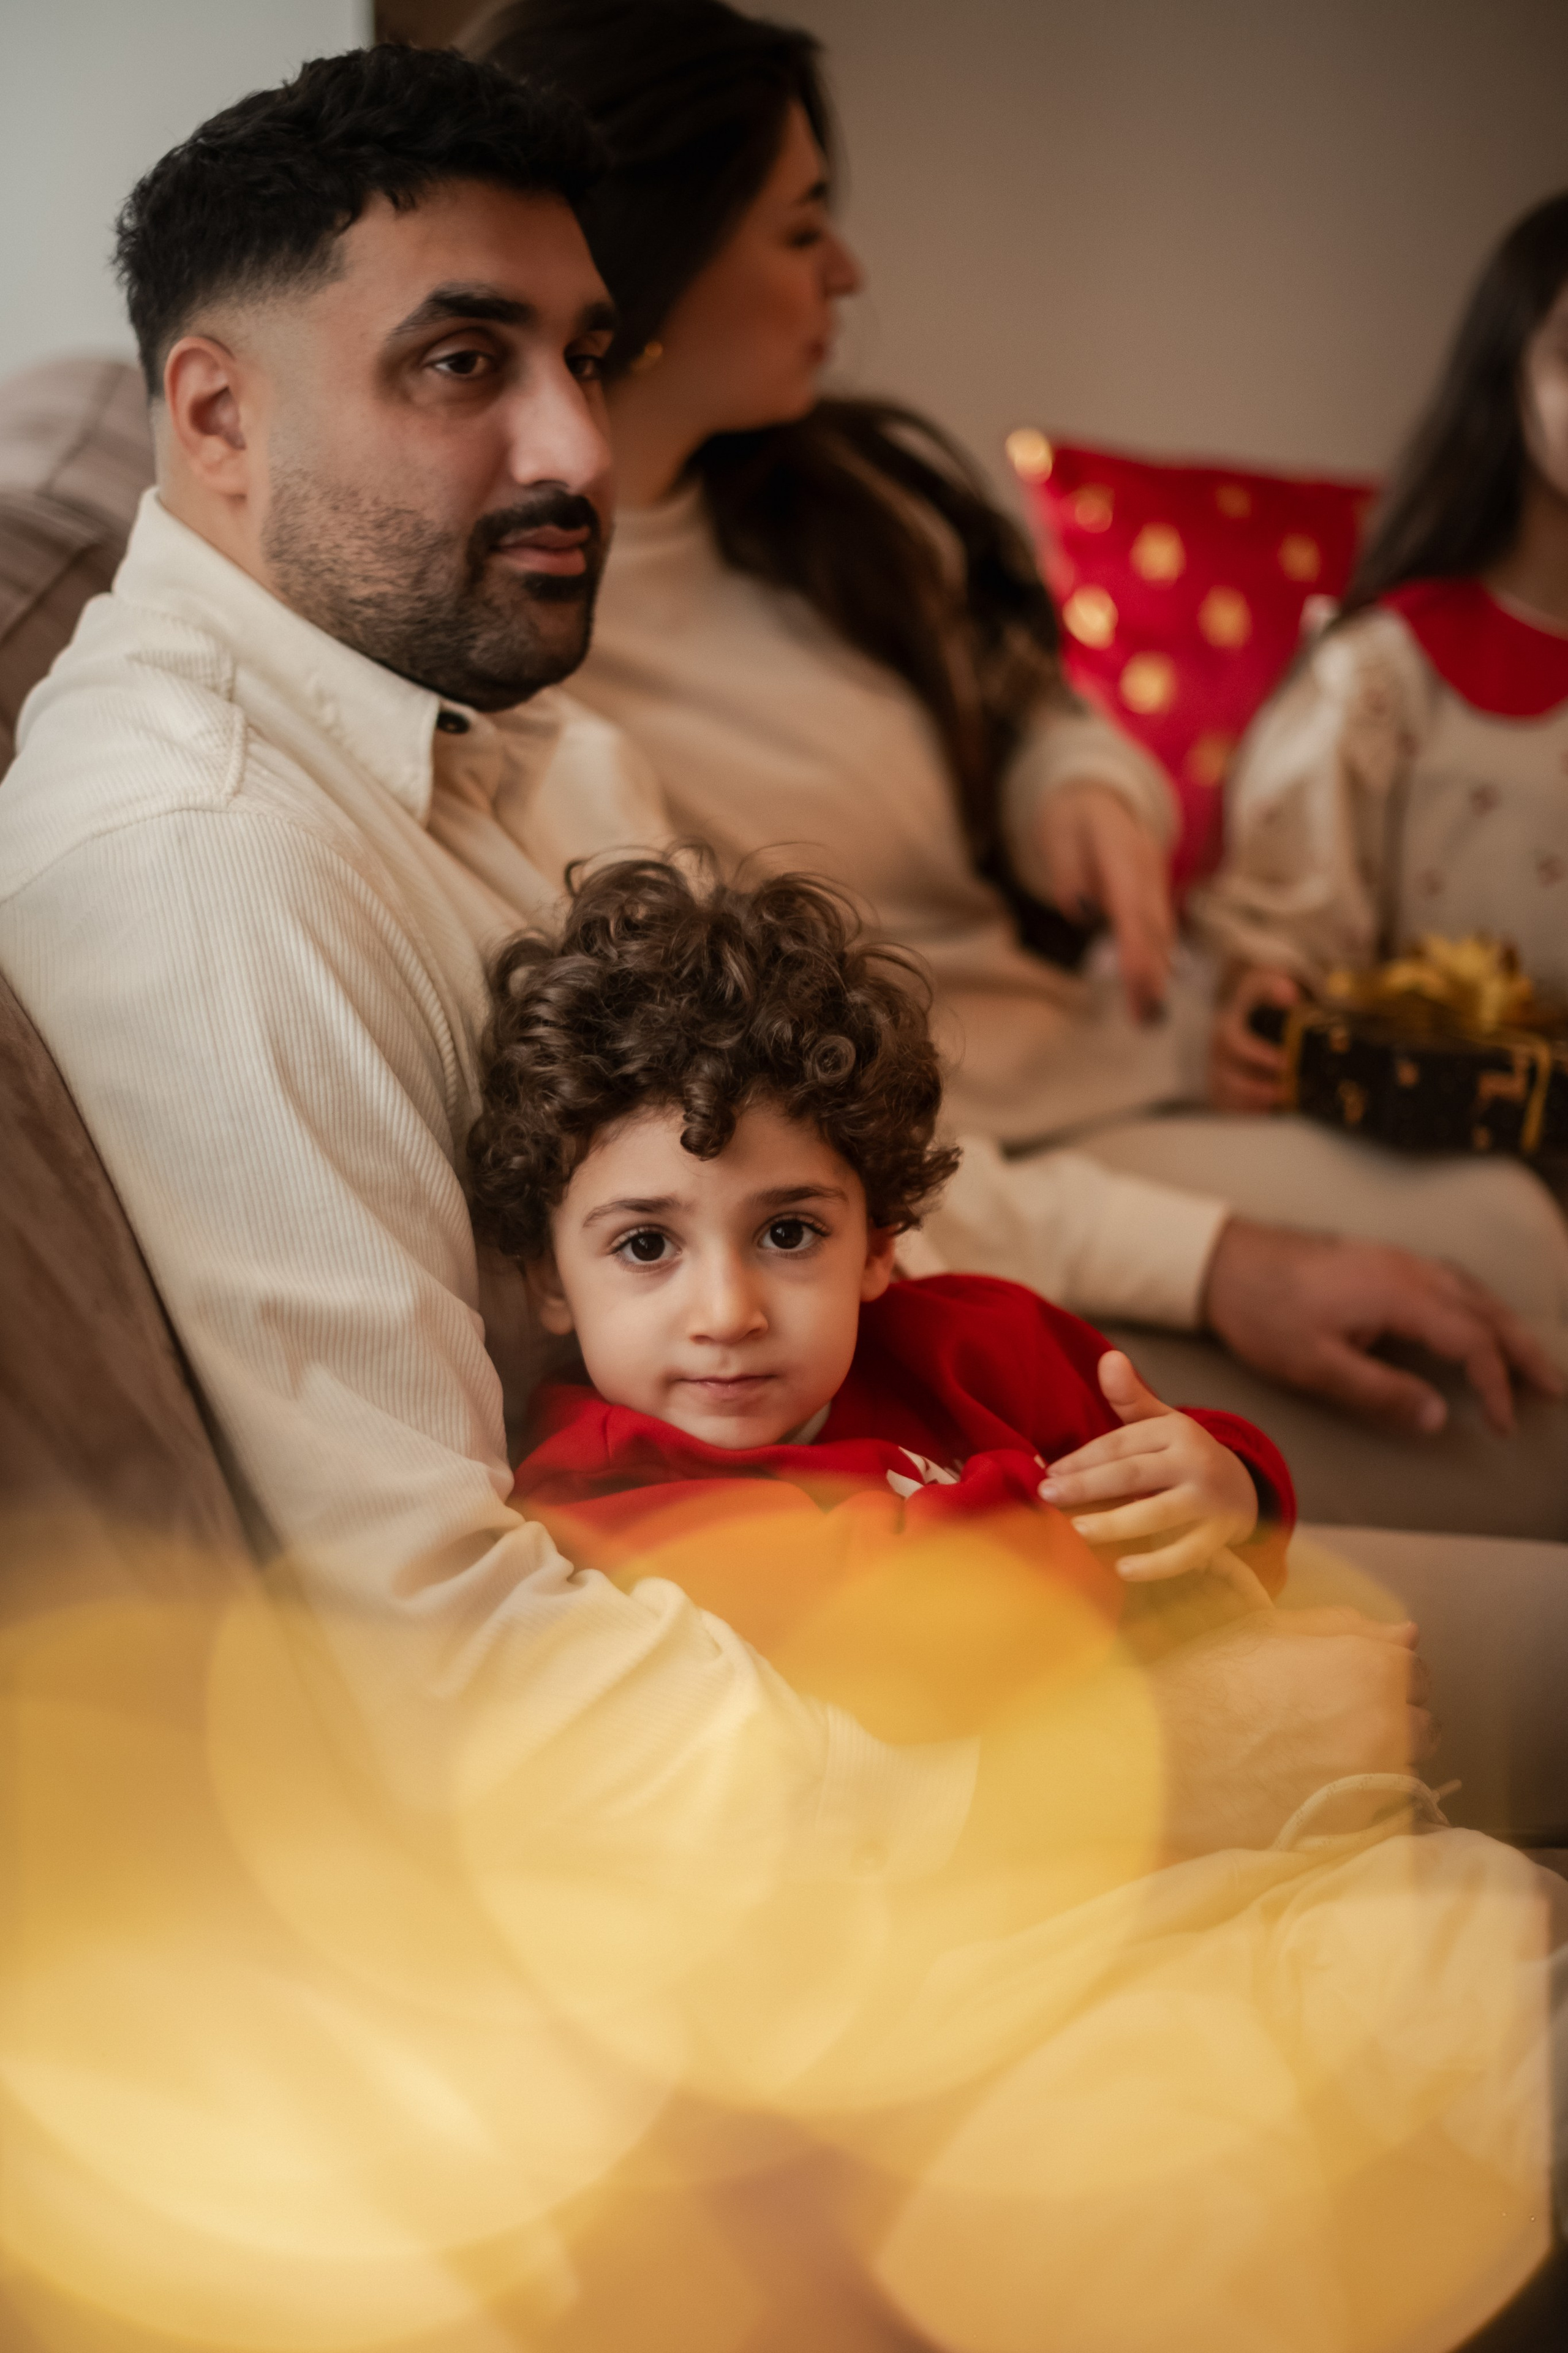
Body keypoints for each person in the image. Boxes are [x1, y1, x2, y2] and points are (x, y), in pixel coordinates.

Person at [0, 43, 1421, 1896]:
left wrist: (1213, 1279)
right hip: (829, 1753)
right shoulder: (202, 869)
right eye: (461, 362)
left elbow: (815, 1158)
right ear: (214, 418)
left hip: (925, 1506)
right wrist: (1110, 1794)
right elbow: (449, 1654)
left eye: (584, 356)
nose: (580, 448)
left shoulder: (518, 732)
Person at [473, 0, 1566, 1449]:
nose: (847, 267)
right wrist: (1221, 1259)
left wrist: (1075, 792)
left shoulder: (837, 501)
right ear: (654, 260)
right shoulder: (553, 668)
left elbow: (1039, 710)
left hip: (1113, 1066)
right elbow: (773, 1151)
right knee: (1504, 1270)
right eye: (802, 230)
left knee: (1507, 1205)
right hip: (945, 1179)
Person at [470, 856, 1294, 1633]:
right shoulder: (601, 1498)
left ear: (876, 1248)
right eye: (647, 1245)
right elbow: (918, 1631)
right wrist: (1072, 1508)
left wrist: (1231, 1486)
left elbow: (1184, 1454)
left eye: (787, 1233)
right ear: (549, 1277)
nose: (727, 1313)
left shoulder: (979, 1340)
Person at [1202, 189, 1568, 1110]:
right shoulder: (1384, 675)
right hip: (1443, 1130)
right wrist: (1263, 994)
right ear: (1509, 380)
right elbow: (1287, 944)